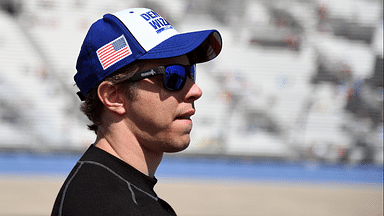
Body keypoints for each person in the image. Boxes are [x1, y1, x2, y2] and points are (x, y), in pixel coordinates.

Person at [51, 7, 222, 216]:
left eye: (190, 72)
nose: (195, 90)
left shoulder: (120, 193)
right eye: (173, 76)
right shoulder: (103, 205)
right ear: (114, 97)